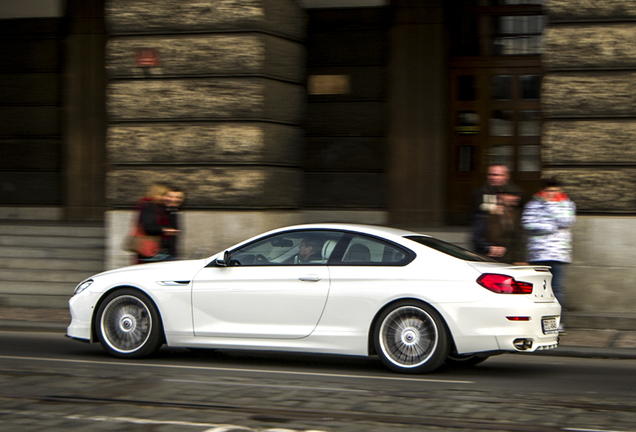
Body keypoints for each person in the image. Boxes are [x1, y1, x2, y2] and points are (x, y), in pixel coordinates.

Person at [521, 176, 576, 332]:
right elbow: (528, 224)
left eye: (554, 191)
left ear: (560, 191)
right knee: (538, 291)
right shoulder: (533, 204)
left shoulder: (567, 204)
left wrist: (550, 206)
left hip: (558, 254)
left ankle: (558, 323)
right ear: (542, 190)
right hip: (538, 254)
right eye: (548, 191)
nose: (551, 194)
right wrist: (550, 227)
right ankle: (538, 322)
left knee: (557, 289)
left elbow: (566, 221)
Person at [472, 164, 523, 251]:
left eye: (497, 175)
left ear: (507, 176)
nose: (493, 178)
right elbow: (476, 216)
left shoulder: (516, 192)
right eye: (490, 174)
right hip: (487, 243)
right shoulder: (480, 193)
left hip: (510, 243)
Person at [473, 186, 526, 264]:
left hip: (510, 260)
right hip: (490, 259)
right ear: (500, 196)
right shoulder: (487, 214)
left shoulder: (517, 214)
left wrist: (520, 259)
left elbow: (518, 239)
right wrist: (488, 247)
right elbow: (477, 237)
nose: (515, 198)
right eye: (510, 195)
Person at [137, 183, 180, 263]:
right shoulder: (149, 205)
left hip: (159, 251)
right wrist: (164, 230)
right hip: (152, 251)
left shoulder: (161, 207)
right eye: (164, 195)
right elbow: (148, 227)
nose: (166, 198)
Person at [164, 186, 185, 259]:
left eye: (178, 197)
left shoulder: (174, 211)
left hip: (171, 253)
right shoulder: (160, 212)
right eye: (170, 196)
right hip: (160, 254)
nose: (174, 199)